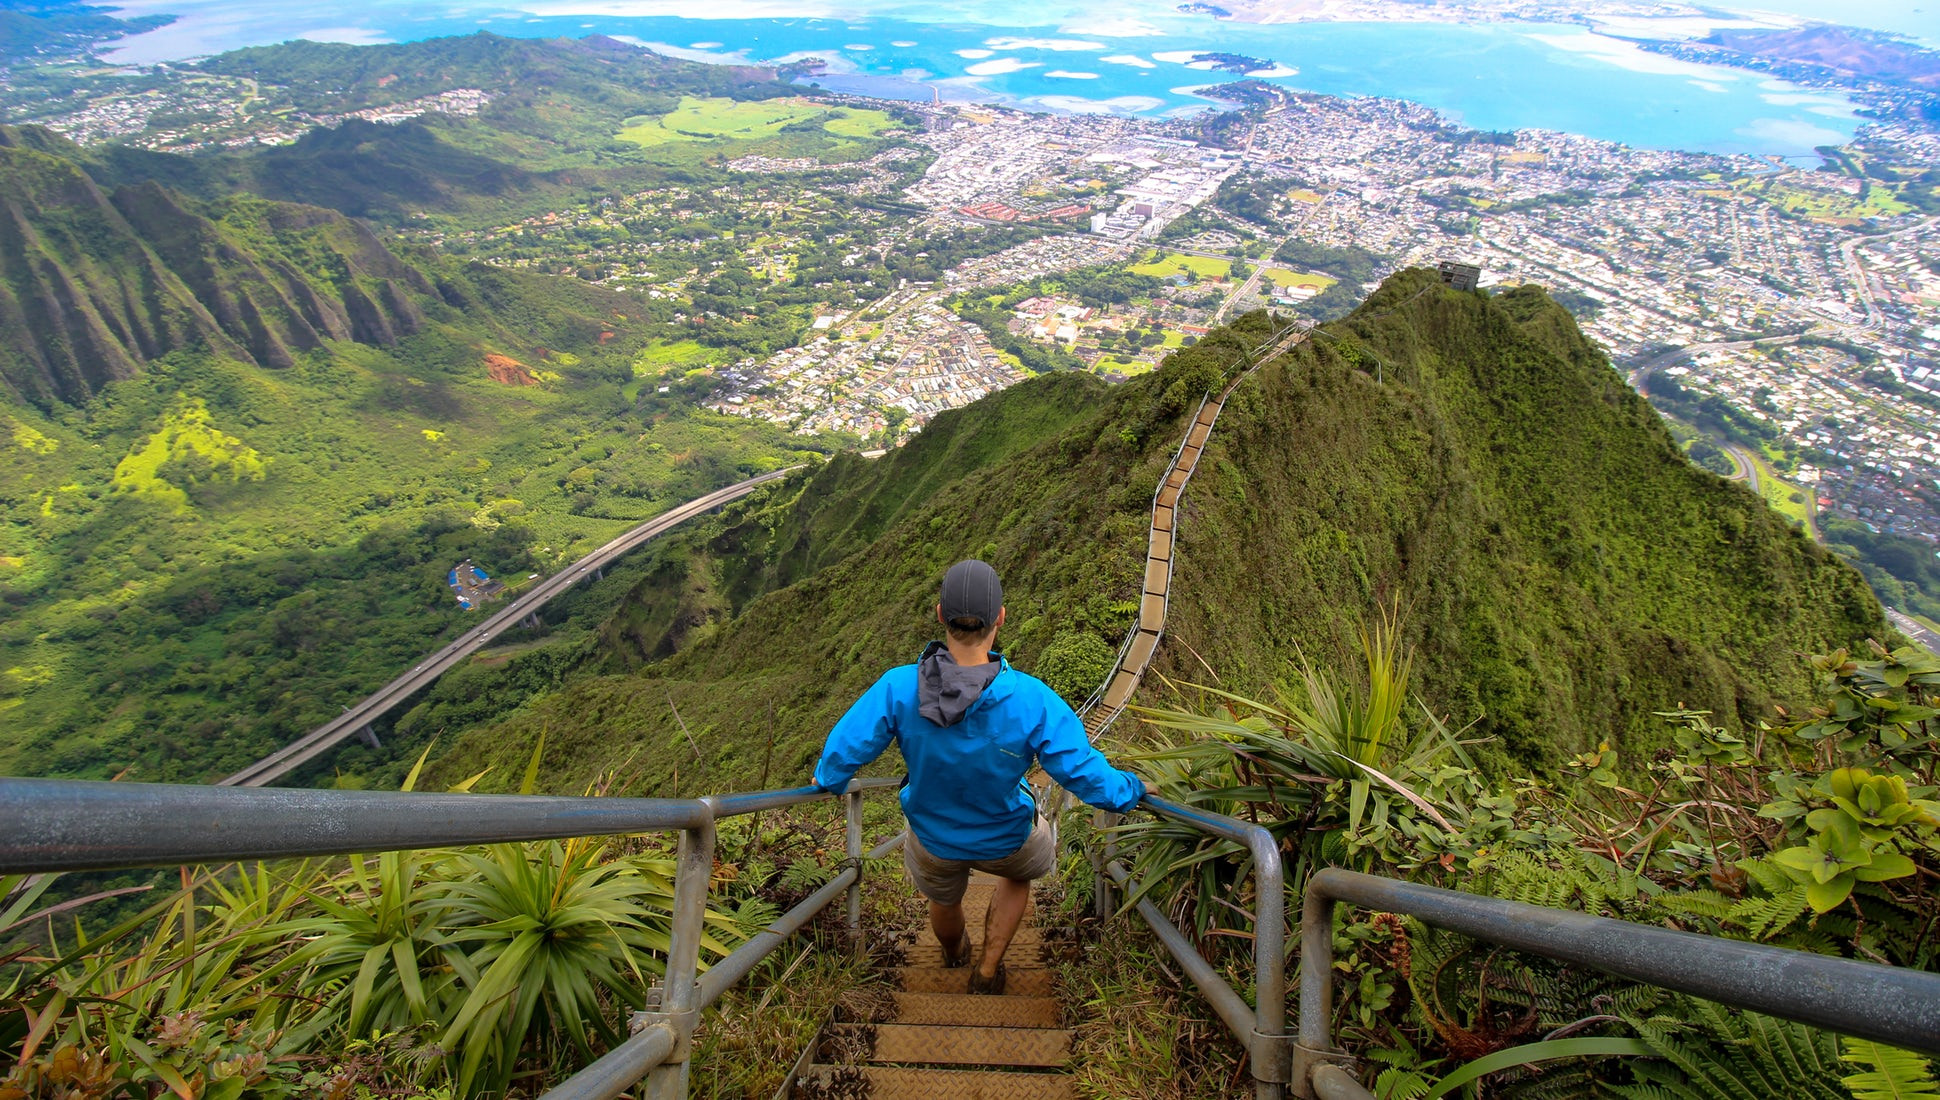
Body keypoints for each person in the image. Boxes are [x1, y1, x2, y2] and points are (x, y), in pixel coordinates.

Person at [813, 559, 1153, 994]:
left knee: (944, 897)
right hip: (1007, 836)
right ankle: (990, 969)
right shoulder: (1033, 699)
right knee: (1020, 873)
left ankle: (956, 954)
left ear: (940, 615)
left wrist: (830, 780)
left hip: (933, 836)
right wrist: (1135, 789)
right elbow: (1084, 774)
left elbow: (848, 746)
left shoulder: (898, 687)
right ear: (1000, 618)